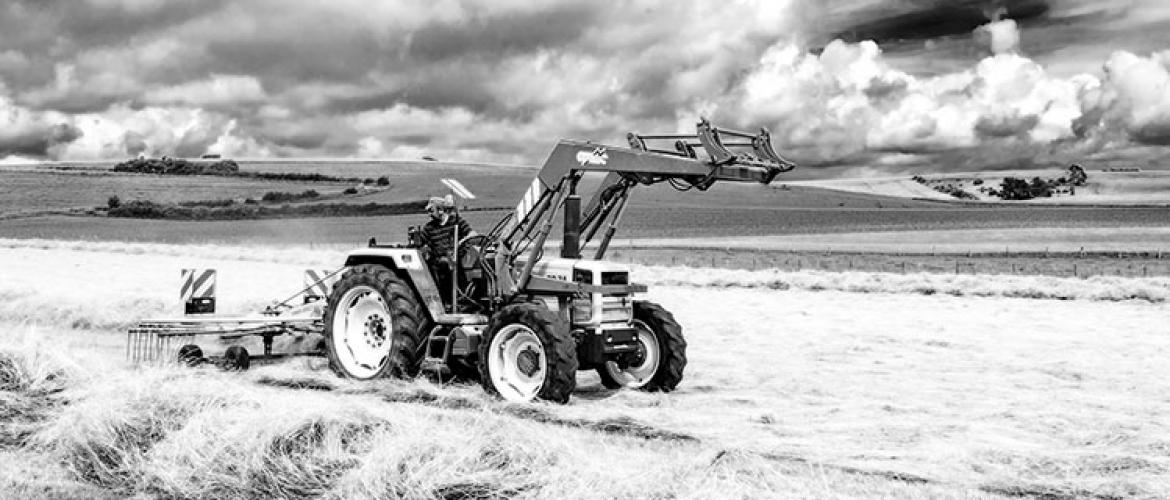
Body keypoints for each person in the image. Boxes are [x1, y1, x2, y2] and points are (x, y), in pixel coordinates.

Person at [420, 195, 477, 307]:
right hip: (441, 263)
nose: (429, 215)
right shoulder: (428, 228)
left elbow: (472, 234)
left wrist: (461, 243)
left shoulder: (456, 222)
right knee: (443, 264)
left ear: (441, 210)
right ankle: (447, 302)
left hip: (458, 258)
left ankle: (464, 298)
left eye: (431, 211)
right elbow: (420, 244)